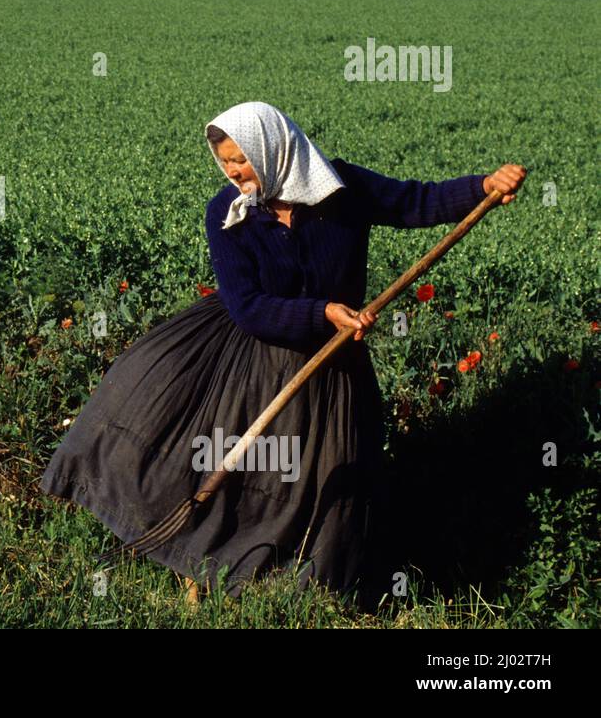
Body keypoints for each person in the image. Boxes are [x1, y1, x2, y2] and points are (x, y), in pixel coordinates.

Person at [39, 100, 526, 609]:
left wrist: (482, 187)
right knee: (221, 459)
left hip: (332, 362)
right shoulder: (227, 214)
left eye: (240, 159)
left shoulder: (343, 189)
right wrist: (324, 312)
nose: (232, 171)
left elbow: (414, 202)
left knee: (325, 478)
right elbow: (247, 306)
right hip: (246, 355)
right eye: (224, 161)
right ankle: (195, 562)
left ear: (272, 149)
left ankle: (297, 588)